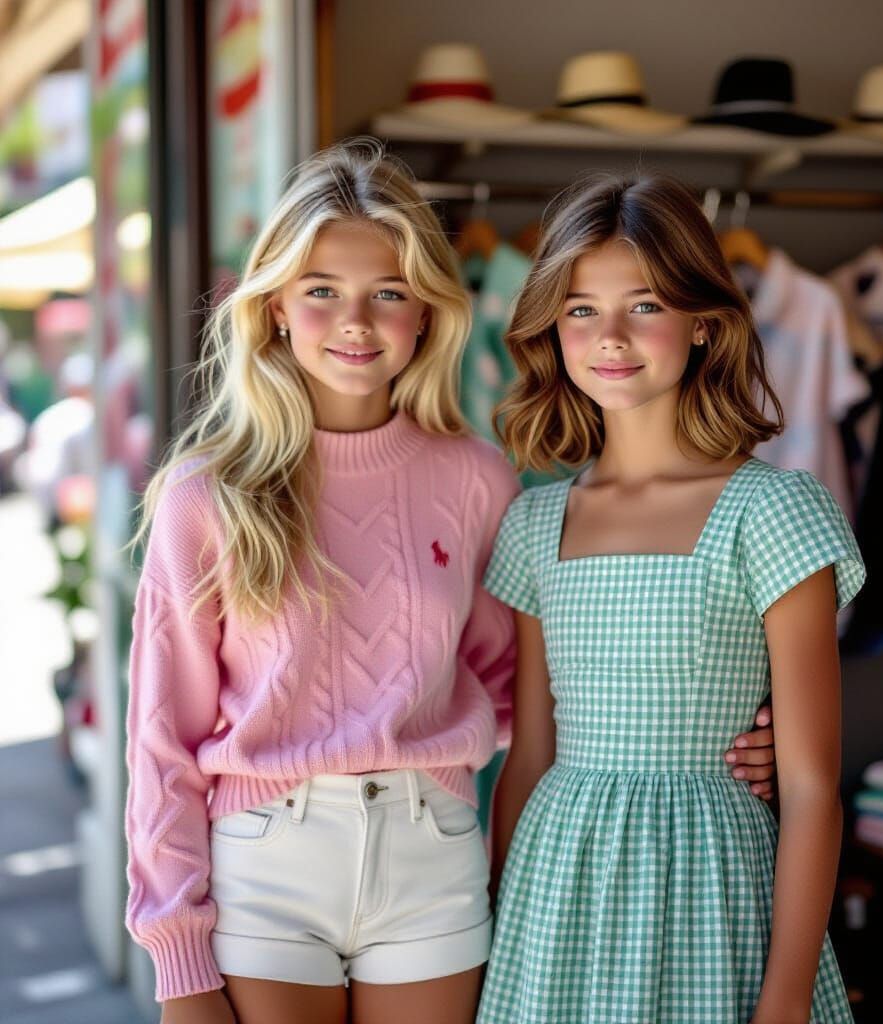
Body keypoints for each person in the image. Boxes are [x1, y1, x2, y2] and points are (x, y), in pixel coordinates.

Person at [124, 141, 778, 1024]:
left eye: (388, 293)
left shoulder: (476, 479)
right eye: (322, 290)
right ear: (275, 306)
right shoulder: (209, 495)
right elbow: (162, 739)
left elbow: (526, 691)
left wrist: (717, 732)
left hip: (434, 857)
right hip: (264, 863)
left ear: (426, 315)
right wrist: (178, 962)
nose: (355, 320)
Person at [478, 171, 864, 1023]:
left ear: (703, 322)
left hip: (714, 892)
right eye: (581, 309)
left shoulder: (773, 510)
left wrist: (788, 997)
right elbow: (529, 757)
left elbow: (809, 787)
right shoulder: (535, 523)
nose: (610, 336)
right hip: (558, 898)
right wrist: (501, 932)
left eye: (644, 305)